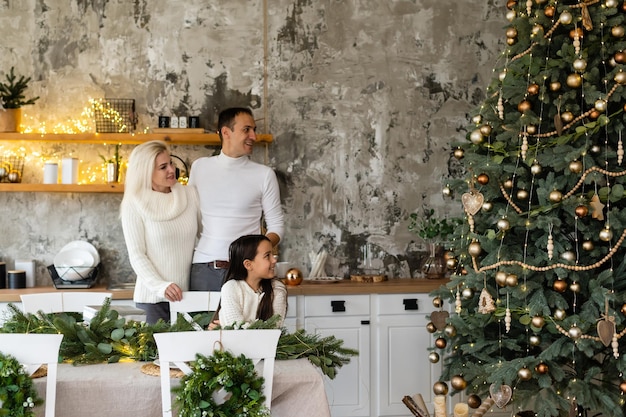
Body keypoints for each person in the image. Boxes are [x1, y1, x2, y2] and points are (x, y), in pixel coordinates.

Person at [188, 107, 284, 291]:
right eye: (246, 129)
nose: (254, 136)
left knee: (251, 321)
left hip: (246, 272)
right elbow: (190, 218)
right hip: (204, 269)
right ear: (226, 132)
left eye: (254, 130)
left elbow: (276, 226)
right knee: (203, 321)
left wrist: (254, 252)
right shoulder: (200, 168)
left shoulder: (264, 175)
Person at [120, 140, 201, 324]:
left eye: (171, 163)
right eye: (163, 167)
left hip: (188, 298)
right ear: (146, 172)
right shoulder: (133, 203)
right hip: (152, 300)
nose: (171, 170)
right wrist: (160, 286)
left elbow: (206, 237)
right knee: (153, 353)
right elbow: (137, 254)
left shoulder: (190, 195)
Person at [216, 234, 287, 328]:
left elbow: (274, 328)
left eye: (272, 255)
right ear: (248, 265)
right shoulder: (231, 288)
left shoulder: (277, 289)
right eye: (267, 256)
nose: (274, 260)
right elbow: (236, 327)